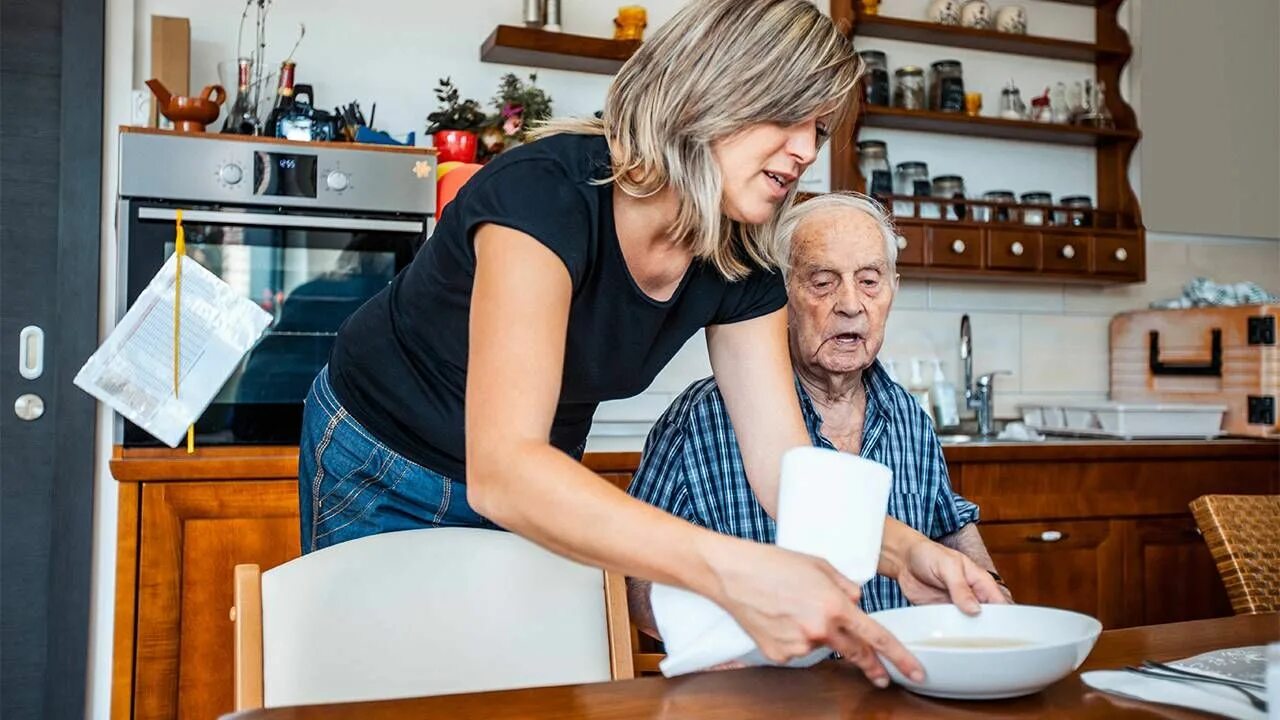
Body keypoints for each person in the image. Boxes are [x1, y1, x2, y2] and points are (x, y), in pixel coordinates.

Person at [298, 0, 1002, 687]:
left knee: (509, 692)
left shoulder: (740, 259)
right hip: (382, 458)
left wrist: (908, 552)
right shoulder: (542, 197)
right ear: (712, 90)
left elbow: (786, 473)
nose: (805, 150)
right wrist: (733, 572)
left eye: (818, 128)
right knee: (385, 691)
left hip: (542, 481)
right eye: (788, 115)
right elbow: (504, 470)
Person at [627, 193, 1012, 638]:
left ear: (893, 290)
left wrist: (992, 592)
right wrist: (725, 634)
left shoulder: (908, 415)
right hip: (764, 689)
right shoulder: (699, 420)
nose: (851, 304)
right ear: (780, 296)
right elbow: (637, 581)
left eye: (869, 281)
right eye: (823, 282)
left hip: (895, 680)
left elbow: (948, 526)